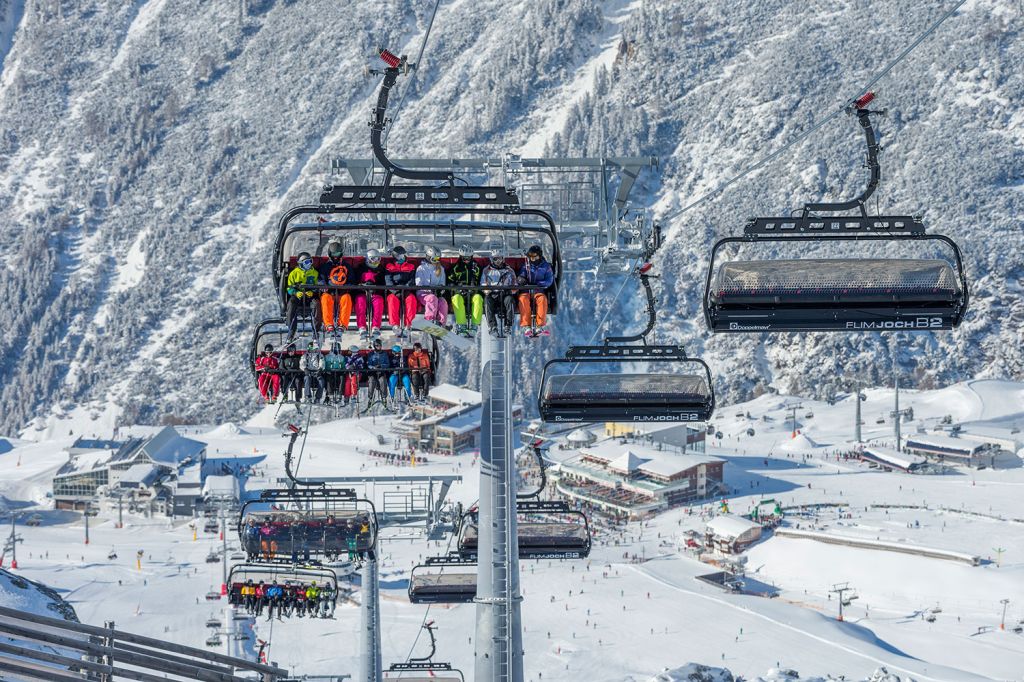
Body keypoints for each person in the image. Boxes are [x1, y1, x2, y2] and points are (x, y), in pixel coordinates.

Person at [318, 239, 352, 339]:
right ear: (330, 253)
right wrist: (323, 286)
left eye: (337, 253)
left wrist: (347, 286)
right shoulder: (325, 266)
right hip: (330, 292)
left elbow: (352, 280)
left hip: (342, 293)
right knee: (325, 298)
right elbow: (320, 279)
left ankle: (342, 325)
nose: (335, 256)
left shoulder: (346, 266)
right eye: (333, 254)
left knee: (347, 298)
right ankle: (329, 324)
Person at [517, 244, 554, 337]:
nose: (532, 259)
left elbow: (549, 280)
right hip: (527, 290)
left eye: (534, 257)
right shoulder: (526, 265)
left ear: (539, 256)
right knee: (523, 299)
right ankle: (526, 326)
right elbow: (521, 275)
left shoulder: (546, 267)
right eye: (530, 256)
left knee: (542, 300)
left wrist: (539, 284)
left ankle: (539, 325)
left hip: (538, 291)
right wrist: (521, 279)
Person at [448, 245, 483, 336]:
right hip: (460, 293)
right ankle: (461, 325)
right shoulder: (455, 268)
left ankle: (475, 325)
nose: (466, 260)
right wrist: (457, 290)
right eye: (464, 258)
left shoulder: (477, 268)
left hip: (473, 293)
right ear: (461, 257)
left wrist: (475, 289)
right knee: (456, 298)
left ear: (472, 257)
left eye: (468, 258)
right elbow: (450, 282)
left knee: (478, 298)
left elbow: (481, 281)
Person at [384, 245, 417, 337]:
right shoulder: (389, 266)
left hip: (406, 290)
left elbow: (412, 280)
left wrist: (407, 287)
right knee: (391, 300)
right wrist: (395, 291)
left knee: (411, 300)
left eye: (403, 255)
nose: (402, 258)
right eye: (399, 256)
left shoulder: (410, 266)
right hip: (394, 291)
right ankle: (395, 325)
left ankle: (408, 324)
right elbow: (388, 281)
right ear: (394, 257)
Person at [481, 251, 516, 337]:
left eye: (499, 259)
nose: (497, 261)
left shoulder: (509, 270)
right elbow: (483, 283)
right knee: (487, 301)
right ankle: (492, 326)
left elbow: (515, 284)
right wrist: (486, 290)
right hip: (493, 294)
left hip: (505, 294)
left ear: (503, 259)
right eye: (495, 259)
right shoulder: (487, 270)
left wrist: (511, 290)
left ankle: (508, 325)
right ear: (492, 260)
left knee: (509, 300)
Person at [355, 248, 386, 341]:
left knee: (379, 303)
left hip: (375, 293)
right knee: (360, 303)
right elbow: (355, 281)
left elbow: (383, 282)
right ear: (368, 259)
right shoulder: (361, 268)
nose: (376, 262)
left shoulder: (380, 269)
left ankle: (376, 326)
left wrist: (376, 287)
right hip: (362, 292)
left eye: (377, 259)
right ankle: (362, 327)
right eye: (373, 259)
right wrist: (361, 285)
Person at [286, 252, 319, 337]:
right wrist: (296, 293)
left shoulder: (314, 273)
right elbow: (289, 288)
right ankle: (291, 330)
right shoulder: (294, 274)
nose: (309, 264)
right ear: (301, 264)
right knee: (292, 303)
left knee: (316, 304)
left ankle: (316, 330)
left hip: (309, 296)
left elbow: (318, 286)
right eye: (307, 262)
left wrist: (313, 292)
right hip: (298, 296)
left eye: (310, 261)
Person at [415, 245, 448, 326]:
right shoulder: (421, 268)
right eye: (434, 259)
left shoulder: (441, 269)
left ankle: (441, 323)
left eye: (438, 259)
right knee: (432, 298)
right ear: (429, 257)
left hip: (436, 294)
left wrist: (440, 290)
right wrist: (430, 290)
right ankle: (429, 320)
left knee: (442, 302)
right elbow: (419, 284)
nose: (436, 261)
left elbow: (442, 283)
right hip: (423, 294)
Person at [365, 338, 391, 406]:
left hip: (381, 371)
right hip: (373, 372)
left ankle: (384, 397)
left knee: (383, 380)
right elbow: (368, 364)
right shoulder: (371, 354)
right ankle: (370, 398)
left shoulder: (384, 354)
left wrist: (381, 366)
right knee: (371, 381)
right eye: (377, 345)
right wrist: (373, 367)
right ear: (374, 346)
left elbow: (387, 364)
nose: (379, 347)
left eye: (380, 345)